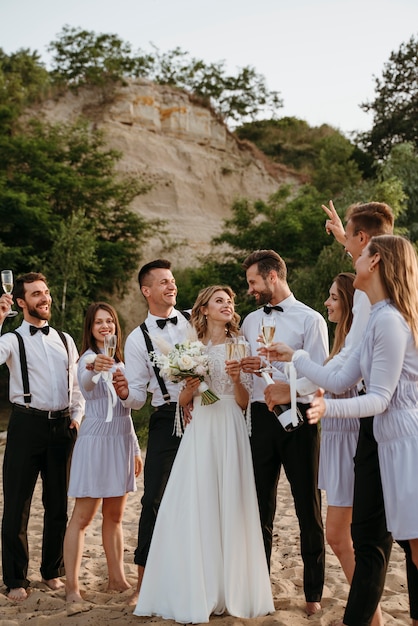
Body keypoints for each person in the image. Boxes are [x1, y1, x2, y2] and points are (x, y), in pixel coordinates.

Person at [269, 235, 418, 626]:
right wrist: (296, 356)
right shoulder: (376, 317)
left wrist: (325, 408)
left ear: (377, 262)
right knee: (405, 546)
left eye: (361, 254)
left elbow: (380, 398)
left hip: (405, 439)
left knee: (413, 547)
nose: (355, 261)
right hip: (387, 439)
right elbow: (340, 378)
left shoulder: (388, 320)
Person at [134, 285, 274, 622]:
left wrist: (238, 379)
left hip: (229, 426)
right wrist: (191, 390)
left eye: (230, 301)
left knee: (230, 503)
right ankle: (197, 586)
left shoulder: (239, 344)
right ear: (205, 309)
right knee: (195, 503)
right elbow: (183, 402)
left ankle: (230, 589)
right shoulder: (190, 347)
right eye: (219, 301)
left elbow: (243, 403)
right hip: (201, 431)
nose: (227, 305)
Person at [240, 249, 329, 616]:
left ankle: (313, 595)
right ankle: (260, 590)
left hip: (301, 418)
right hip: (260, 420)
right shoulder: (248, 321)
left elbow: (321, 375)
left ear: (273, 276)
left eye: (253, 282)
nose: (250, 290)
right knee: (260, 506)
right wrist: (246, 370)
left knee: (307, 505)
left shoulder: (311, 320)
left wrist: (288, 391)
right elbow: (248, 377)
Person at [0, 272, 84, 601]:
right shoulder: (10, 339)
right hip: (26, 425)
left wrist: (77, 418)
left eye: (46, 292)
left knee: (57, 505)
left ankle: (52, 572)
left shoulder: (64, 339)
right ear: (21, 302)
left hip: (63, 428)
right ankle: (16, 580)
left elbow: (76, 386)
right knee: (18, 505)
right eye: (36, 294)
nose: (44, 298)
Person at [113, 259, 191, 605]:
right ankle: (144, 584)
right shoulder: (136, 338)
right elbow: (139, 399)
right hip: (164, 419)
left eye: (172, 281)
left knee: (199, 498)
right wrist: (125, 392)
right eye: (163, 282)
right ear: (147, 291)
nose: (171, 286)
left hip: (203, 415)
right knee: (153, 500)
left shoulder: (193, 322)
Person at [63, 302, 143, 602]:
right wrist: (94, 369)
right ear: (90, 328)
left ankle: (116, 578)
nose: (105, 326)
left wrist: (135, 448)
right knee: (82, 517)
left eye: (109, 321)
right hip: (95, 442)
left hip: (121, 441)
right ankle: (72, 588)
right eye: (98, 322)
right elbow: (84, 385)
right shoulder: (87, 360)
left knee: (116, 515)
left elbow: (127, 410)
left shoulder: (121, 363)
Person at [320, 273, 361, 587]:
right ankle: (365, 612)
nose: (327, 303)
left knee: (337, 535)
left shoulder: (355, 344)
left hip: (351, 443)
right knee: (342, 536)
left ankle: (365, 613)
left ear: (348, 302)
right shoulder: (340, 343)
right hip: (335, 441)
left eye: (334, 297)